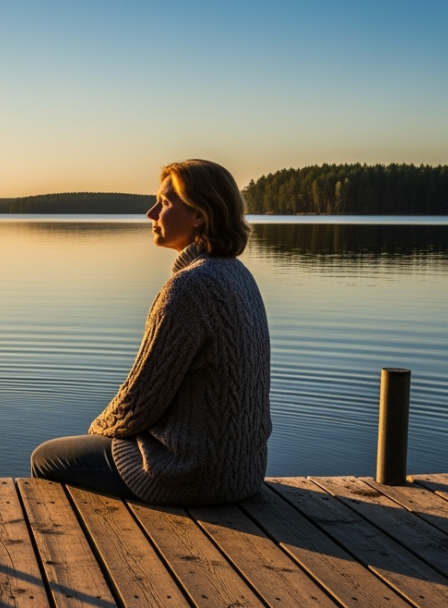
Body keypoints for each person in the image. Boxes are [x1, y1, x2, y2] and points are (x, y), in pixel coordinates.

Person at [30, 159, 271, 506]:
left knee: (47, 457)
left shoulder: (188, 288)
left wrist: (98, 434)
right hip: (244, 473)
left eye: (165, 202)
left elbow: (139, 402)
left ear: (199, 215)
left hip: (190, 476)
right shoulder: (238, 276)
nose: (151, 212)